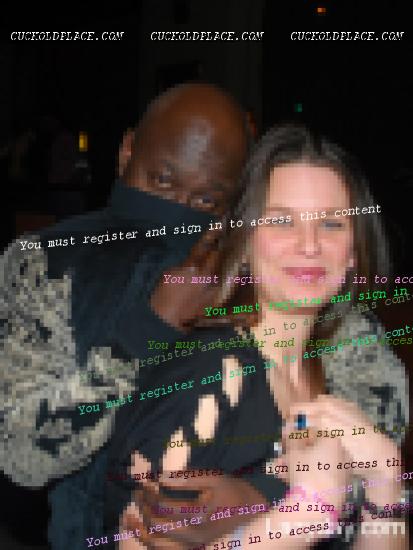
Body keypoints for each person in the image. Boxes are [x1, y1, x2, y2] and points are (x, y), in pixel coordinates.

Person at [105, 124, 409, 549]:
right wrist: (306, 515)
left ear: (354, 251)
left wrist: (386, 485)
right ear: (246, 241)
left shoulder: (337, 381)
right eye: (282, 220)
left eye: (331, 224)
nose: (309, 245)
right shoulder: (205, 380)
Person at [0, 83, 250, 549]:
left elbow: (364, 423)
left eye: (205, 202)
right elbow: (22, 454)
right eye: (162, 182)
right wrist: (148, 330)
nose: (177, 210)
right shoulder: (46, 263)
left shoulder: (260, 270)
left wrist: (260, 498)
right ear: (127, 151)